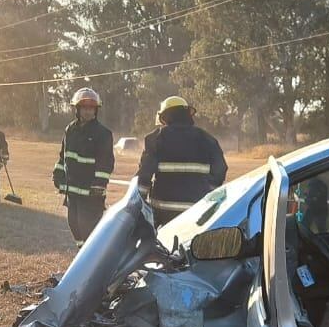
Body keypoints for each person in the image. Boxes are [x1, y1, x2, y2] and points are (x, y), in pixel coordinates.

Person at [135, 96, 227, 227]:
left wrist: (138, 204)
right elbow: (220, 170)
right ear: (187, 115)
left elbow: (144, 176)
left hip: (163, 213)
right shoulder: (207, 139)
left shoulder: (155, 139)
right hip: (196, 211)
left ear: (165, 117)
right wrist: (206, 191)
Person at [53, 88, 114, 246]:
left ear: (96, 111)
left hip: (91, 194)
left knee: (90, 230)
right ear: (77, 109)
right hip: (72, 192)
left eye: (91, 108)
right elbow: (64, 155)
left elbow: (106, 162)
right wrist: (58, 173)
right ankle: (83, 256)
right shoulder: (70, 130)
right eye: (84, 108)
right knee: (74, 226)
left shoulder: (103, 133)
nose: (88, 112)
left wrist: (99, 184)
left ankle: (94, 261)